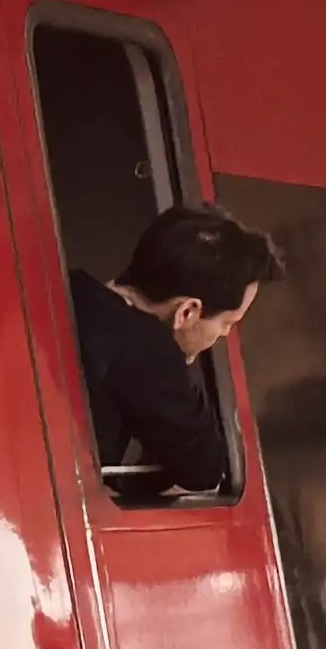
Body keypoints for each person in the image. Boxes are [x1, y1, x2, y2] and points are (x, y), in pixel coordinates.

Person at [70, 200, 278, 504]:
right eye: (227, 322)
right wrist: (181, 356)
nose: (223, 334)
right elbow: (204, 469)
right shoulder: (146, 348)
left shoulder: (73, 288)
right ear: (187, 312)